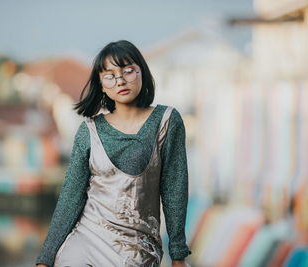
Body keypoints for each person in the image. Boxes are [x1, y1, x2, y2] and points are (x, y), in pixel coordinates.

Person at [36, 40, 192, 267]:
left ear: (142, 72)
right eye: (109, 75)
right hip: (84, 243)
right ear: (101, 84)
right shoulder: (89, 130)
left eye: (127, 71)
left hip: (137, 251)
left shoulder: (167, 121)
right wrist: (45, 260)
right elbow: (71, 197)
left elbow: (175, 190)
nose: (120, 80)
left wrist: (178, 255)